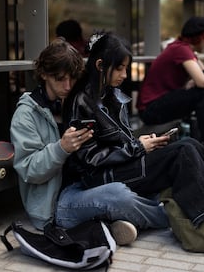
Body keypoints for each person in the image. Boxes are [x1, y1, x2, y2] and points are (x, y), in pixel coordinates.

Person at [63, 31, 204, 261]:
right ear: (100, 65)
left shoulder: (110, 94)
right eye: (120, 68)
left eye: (126, 68)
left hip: (124, 164)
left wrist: (142, 143)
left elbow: (120, 140)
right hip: (102, 176)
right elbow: (89, 158)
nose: (125, 75)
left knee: (189, 143)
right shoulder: (82, 102)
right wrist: (137, 147)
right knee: (182, 151)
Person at [10, 38, 169, 246]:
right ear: (43, 74)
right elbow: (29, 169)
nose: (67, 86)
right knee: (118, 196)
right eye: (59, 79)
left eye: (72, 79)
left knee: (144, 178)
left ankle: (119, 222)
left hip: (90, 183)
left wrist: (135, 144)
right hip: (58, 203)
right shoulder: (26, 114)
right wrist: (61, 148)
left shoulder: (77, 100)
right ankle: (172, 219)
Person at [136, 17, 204, 162]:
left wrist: (202, 74)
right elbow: (202, 81)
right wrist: (202, 76)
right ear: (200, 38)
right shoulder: (180, 49)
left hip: (161, 103)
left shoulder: (183, 48)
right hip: (150, 109)